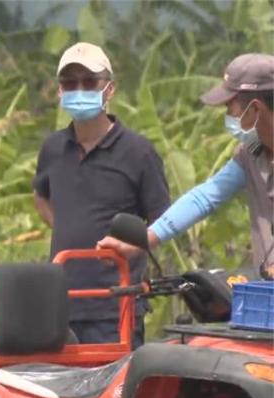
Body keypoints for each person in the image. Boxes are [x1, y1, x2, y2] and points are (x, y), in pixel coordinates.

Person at [32, 42, 171, 349]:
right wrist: (68, 226)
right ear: (59, 91)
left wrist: (135, 246)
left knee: (116, 394)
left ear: (109, 90)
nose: (78, 89)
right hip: (61, 303)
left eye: (89, 82)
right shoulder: (53, 149)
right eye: (70, 83)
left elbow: (164, 217)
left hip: (115, 305)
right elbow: (41, 196)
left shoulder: (138, 152)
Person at [99, 53, 274, 279]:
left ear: (255, 109)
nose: (228, 116)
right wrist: (145, 239)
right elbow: (205, 197)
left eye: (230, 108)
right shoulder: (251, 152)